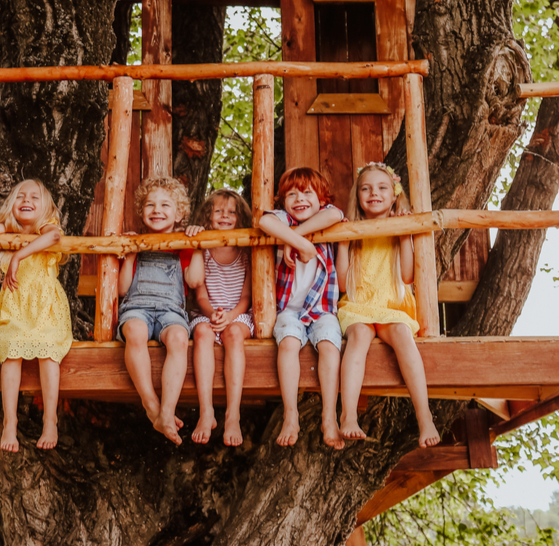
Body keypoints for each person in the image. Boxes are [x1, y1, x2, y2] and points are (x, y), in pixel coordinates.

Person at [338, 162, 440, 449]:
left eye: (382, 188)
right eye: (366, 188)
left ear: (394, 195)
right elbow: (344, 284)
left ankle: (425, 416)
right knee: (357, 337)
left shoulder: (400, 227)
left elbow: (408, 275)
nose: (374, 193)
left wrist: (404, 235)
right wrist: (343, 243)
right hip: (358, 304)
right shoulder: (351, 228)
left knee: (404, 337)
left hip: (392, 303)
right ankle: (348, 415)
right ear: (357, 196)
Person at [0, 179, 71, 452]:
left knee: (48, 351)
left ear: (46, 207)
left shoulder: (45, 226)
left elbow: (54, 238)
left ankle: (50, 420)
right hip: (15, 305)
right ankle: (9, 422)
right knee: (10, 353)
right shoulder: (7, 229)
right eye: (20, 196)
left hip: (45, 306)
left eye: (34, 197)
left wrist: (17, 257)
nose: (26, 200)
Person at [257, 167, 346, 449]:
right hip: (289, 310)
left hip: (322, 310)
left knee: (331, 346)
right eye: (291, 194)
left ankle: (329, 416)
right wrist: (296, 241)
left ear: (322, 198)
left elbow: (335, 214)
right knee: (288, 344)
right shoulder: (282, 219)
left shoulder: (325, 219)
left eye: (308, 192)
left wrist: (294, 239)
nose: (299, 199)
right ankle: (290, 414)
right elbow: (264, 222)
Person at [118, 176, 197, 445]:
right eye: (150, 205)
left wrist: (197, 247)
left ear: (179, 213)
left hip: (170, 312)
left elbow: (195, 281)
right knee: (136, 332)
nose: (157, 210)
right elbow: (122, 289)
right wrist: (129, 254)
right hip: (136, 308)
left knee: (178, 339)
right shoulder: (136, 242)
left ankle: (167, 410)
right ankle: (150, 402)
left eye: (165, 205)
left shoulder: (183, 244)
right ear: (142, 211)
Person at [186, 189, 253, 447]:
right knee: (202, 333)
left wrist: (232, 316)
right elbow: (200, 293)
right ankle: (207, 412)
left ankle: (232, 414)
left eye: (231, 212)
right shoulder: (204, 250)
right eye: (218, 211)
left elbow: (246, 297)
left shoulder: (245, 251)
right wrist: (212, 313)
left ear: (240, 217)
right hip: (208, 312)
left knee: (233, 334)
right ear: (208, 215)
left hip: (238, 314)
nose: (225, 216)